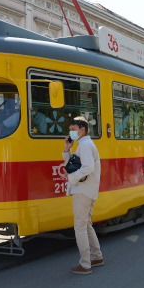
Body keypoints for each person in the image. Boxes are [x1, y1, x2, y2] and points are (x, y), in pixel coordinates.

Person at [63, 116, 104, 274]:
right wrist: (67, 150)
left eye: (73, 130)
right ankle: (96, 256)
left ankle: (85, 264)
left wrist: (71, 178)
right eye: (70, 129)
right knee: (86, 225)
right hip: (87, 190)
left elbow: (87, 168)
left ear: (82, 130)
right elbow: (72, 166)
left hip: (83, 190)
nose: (71, 132)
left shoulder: (86, 146)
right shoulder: (84, 145)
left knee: (79, 227)